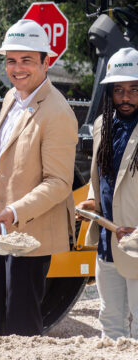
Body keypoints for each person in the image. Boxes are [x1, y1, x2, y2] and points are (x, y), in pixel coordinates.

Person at [0, 19, 78, 336]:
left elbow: (58, 183)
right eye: (11, 60)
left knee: (21, 325)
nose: (18, 68)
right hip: (5, 230)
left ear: (46, 61)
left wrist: (14, 212)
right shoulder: (12, 97)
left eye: (27, 60)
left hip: (31, 236)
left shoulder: (57, 112)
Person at [77, 47, 138, 339]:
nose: (125, 97)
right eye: (119, 90)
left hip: (136, 240)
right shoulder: (103, 124)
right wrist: (92, 198)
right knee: (110, 317)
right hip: (108, 238)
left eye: (134, 89)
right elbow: (100, 173)